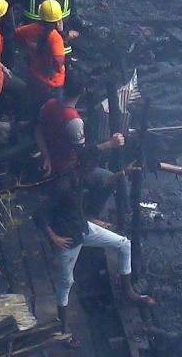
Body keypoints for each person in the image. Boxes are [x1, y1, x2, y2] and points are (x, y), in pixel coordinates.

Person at [33, 105, 154, 348]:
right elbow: (39, 214)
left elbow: (102, 173)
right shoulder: (63, 185)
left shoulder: (81, 172)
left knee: (124, 244)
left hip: (83, 229)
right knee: (65, 284)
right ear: (84, 165)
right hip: (68, 239)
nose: (92, 170)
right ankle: (64, 330)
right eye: (91, 167)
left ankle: (129, 292)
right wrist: (53, 237)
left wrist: (124, 173)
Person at [34, 72, 138, 215]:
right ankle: (90, 213)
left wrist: (45, 156)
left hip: (51, 158)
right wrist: (110, 144)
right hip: (67, 168)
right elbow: (83, 155)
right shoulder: (74, 121)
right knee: (108, 178)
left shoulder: (49, 105)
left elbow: (38, 130)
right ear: (82, 91)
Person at [15, 0, 66, 116]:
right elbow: (59, 63)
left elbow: (17, 34)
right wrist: (62, 34)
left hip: (35, 77)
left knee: (35, 108)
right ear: (58, 20)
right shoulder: (55, 38)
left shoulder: (29, 29)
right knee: (54, 113)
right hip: (53, 83)